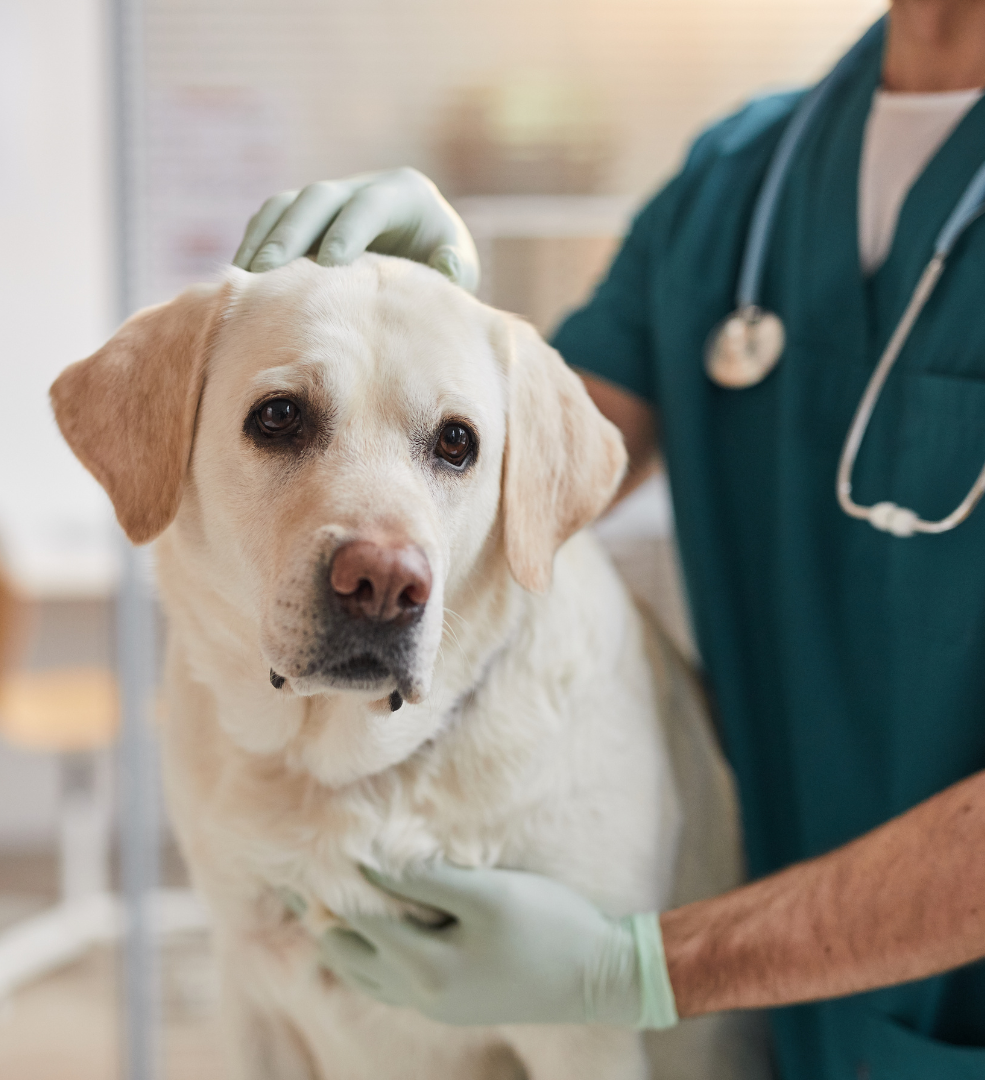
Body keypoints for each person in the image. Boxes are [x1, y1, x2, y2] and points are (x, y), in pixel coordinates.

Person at [232, 2, 985, 1076]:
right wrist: (423, 334)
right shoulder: (739, 183)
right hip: (792, 1020)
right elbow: (529, 460)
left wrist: (634, 969)